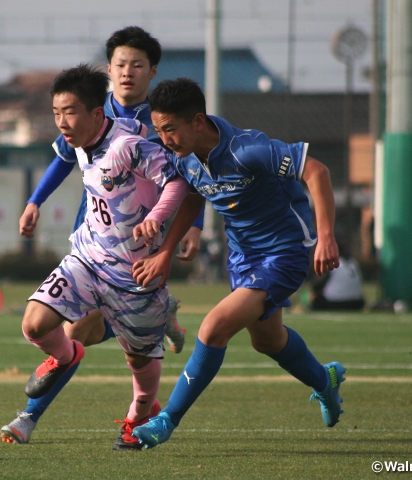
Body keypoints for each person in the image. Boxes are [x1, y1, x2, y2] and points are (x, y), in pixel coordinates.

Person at [5, 26, 198, 446]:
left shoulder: (155, 123)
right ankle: (29, 417)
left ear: (152, 72)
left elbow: (185, 178)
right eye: (120, 64)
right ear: (108, 70)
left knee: (128, 358)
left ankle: (153, 338)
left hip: (139, 258)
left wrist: (187, 228)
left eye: (137, 65)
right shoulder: (85, 113)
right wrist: (35, 200)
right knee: (53, 329)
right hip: (91, 249)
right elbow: (62, 156)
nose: (128, 72)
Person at [129, 78, 347, 449]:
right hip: (242, 257)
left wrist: (326, 236)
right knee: (268, 341)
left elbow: (317, 172)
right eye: (159, 130)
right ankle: (325, 382)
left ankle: (166, 420)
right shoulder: (187, 157)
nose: (165, 139)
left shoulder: (248, 149)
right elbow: (195, 197)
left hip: (285, 253)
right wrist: (165, 251)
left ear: (198, 121)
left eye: (170, 129)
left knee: (213, 328)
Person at [310, 242, 364, 310]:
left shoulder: (330, 262)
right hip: (357, 303)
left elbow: (318, 283)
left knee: (317, 300)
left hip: (334, 302)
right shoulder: (353, 262)